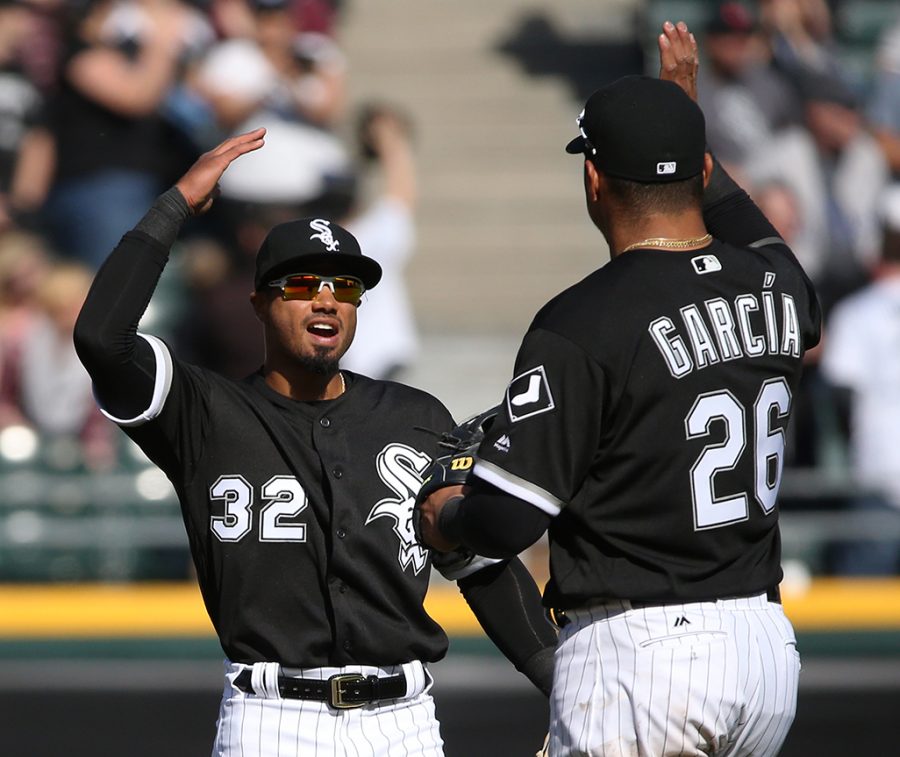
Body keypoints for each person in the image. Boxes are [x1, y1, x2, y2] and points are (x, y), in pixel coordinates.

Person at [73, 128, 556, 756]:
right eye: (302, 284)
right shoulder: (206, 412)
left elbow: (479, 566)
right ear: (259, 303)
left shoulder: (413, 415)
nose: (326, 299)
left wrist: (561, 683)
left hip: (402, 721)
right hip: (270, 720)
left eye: (344, 286)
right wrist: (173, 208)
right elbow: (102, 340)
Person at [416, 21, 821, 756]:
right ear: (700, 171)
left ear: (593, 179)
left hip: (645, 654)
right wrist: (687, 118)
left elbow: (507, 522)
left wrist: (444, 513)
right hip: (763, 645)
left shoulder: (581, 322)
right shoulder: (776, 287)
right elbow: (762, 245)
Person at [819, 185, 900, 575]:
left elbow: (836, 400)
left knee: (862, 620)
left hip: (878, 476)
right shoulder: (856, 312)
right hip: (877, 485)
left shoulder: (855, 313)